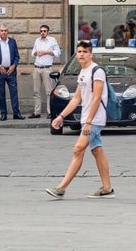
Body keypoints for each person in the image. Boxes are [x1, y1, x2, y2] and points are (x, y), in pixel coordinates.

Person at [45, 40, 113, 199]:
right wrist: (60, 117)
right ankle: (107, 188)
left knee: (78, 149)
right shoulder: (82, 72)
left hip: (94, 119)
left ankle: (61, 187)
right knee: (97, 150)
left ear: (91, 54)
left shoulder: (97, 71)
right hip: (86, 118)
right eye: (79, 52)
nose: (81, 54)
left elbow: (97, 98)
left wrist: (89, 121)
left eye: (84, 52)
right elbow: (76, 99)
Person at [0, 24, 23, 121]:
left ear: (8, 31)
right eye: (2, 30)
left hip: (11, 71)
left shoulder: (12, 42)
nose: (4, 32)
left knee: (14, 93)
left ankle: (16, 113)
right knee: (0, 93)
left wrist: (13, 66)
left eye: (5, 30)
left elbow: (16, 56)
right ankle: (3, 114)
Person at [30, 24, 61, 119]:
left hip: (47, 68)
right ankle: (37, 112)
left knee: (49, 92)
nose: (42, 33)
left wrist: (46, 52)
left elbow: (58, 53)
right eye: (41, 31)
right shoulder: (37, 40)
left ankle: (50, 112)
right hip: (37, 67)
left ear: (48, 32)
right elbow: (32, 53)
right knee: (36, 91)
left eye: (44, 31)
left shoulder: (52, 40)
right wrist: (36, 53)